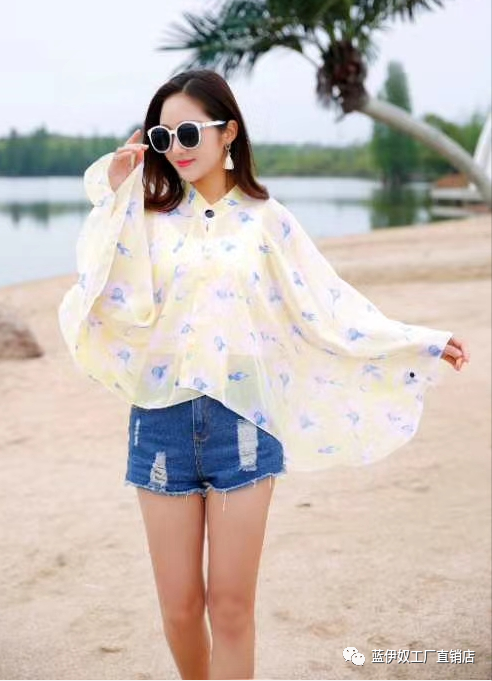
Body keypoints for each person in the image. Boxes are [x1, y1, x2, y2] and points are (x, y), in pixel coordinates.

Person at [58, 69, 470, 680]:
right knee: (179, 610)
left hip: (244, 426)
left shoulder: (266, 219)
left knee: (230, 608)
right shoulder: (144, 219)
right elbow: (103, 293)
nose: (177, 147)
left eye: (190, 132)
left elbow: (327, 304)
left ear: (228, 132)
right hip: (160, 426)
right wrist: (115, 195)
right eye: (163, 137)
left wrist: (418, 342)